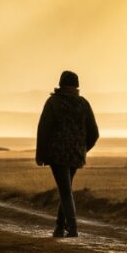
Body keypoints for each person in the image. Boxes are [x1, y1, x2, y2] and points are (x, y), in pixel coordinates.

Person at [36, 70, 99, 237]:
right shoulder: (83, 104)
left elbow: (43, 130)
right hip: (75, 155)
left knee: (65, 190)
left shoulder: (53, 102)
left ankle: (72, 227)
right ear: (76, 86)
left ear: (61, 84)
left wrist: (40, 154)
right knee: (66, 188)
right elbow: (94, 133)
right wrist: (82, 149)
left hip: (56, 154)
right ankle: (59, 226)